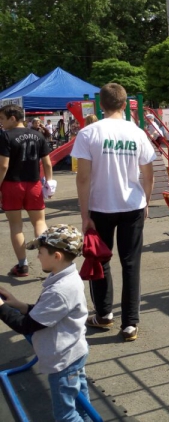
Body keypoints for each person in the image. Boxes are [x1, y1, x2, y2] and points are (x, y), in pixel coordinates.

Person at [72, 83, 156, 342]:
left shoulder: (88, 133)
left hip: (100, 207)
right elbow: (148, 173)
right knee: (131, 264)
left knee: (100, 260)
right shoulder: (137, 132)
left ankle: (105, 314)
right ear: (123, 104)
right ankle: (130, 323)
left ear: (101, 105)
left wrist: (85, 215)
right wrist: (147, 202)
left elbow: (83, 178)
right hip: (132, 205)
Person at [0, 224, 91, 422]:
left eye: (40, 252)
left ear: (56, 256)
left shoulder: (60, 289)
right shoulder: (63, 276)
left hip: (63, 362)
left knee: (66, 415)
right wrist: (18, 304)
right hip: (74, 351)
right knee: (80, 400)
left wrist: (1, 307)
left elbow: (26, 326)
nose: (38, 256)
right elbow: (45, 314)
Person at [0, 105, 54, 277]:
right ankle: (51, 261)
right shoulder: (38, 135)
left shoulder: (5, 136)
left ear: (13, 118)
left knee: (16, 226)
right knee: (39, 222)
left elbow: (3, 166)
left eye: (2, 118)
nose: (1, 122)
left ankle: (22, 265)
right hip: (34, 184)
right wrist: (50, 181)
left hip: (12, 184)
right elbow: (47, 163)